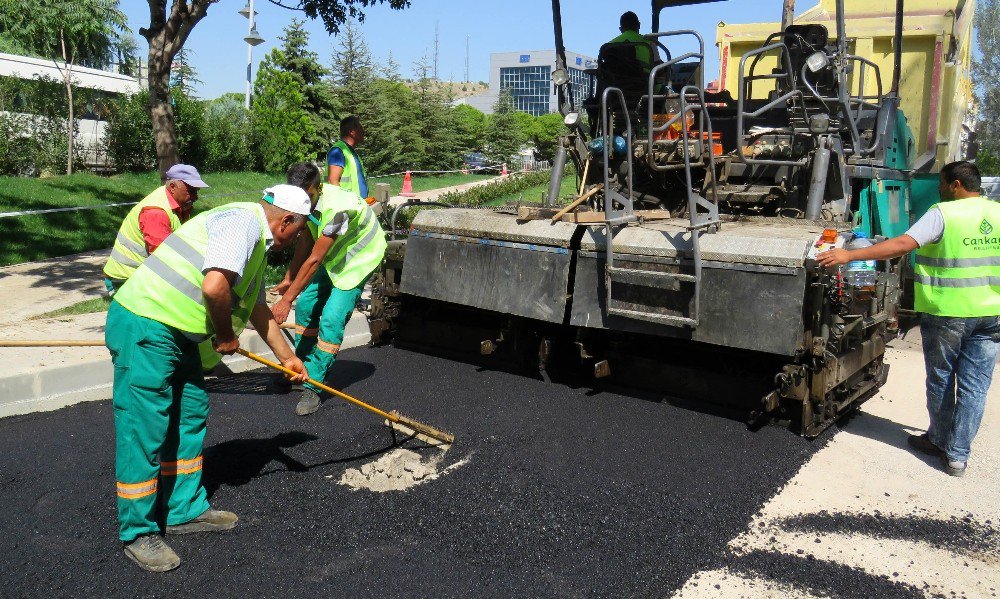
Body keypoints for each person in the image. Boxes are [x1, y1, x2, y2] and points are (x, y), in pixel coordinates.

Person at [105, 185, 313, 572]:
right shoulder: (241, 224)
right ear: (285, 220)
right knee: (144, 427)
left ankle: (183, 509)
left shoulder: (253, 239)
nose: (300, 237)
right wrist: (224, 336)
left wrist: (288, 358)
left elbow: (256, 308)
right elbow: (214, 287)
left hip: (176, 333)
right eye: (300, 230)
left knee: (189, 414)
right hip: (146, 324)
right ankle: (137, 532)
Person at [817, 161, 1000, 477]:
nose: (940, 189)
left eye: (943, 183)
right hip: (990, 314)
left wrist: (848, 255)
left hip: (949, 313)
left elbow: (902, 244)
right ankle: (958, 457)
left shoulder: (944, 213)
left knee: (942, 378)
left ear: (955, 184)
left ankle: (939, 440)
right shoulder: (996, 212)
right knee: (975, 386)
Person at [271, 181, 388, 416]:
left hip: (358, 259)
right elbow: (306, 242)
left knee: (332, 319)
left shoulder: (337, 210)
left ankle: (314, 384)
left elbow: (315, 258)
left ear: (315, 189)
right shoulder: (305, 202)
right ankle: (299, 367)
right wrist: (289, 278)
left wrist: (286, 300)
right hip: (335, 255)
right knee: (305, 305)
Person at [102, 164, 208, 295]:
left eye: (196, 191)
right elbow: (164, 256)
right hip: (126, 280)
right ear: (173, 187)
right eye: (191, 191)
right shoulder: (156, 212)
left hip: (141, 276)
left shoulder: (176, 204)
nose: (195, 197)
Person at [327, 115, 368, 200]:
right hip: (347, 208)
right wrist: (344, 205)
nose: (363, 131)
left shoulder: (351, 152)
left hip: (358, 206)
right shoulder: (338, 151)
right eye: (360, 128)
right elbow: (332, 181)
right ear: (352, 132)